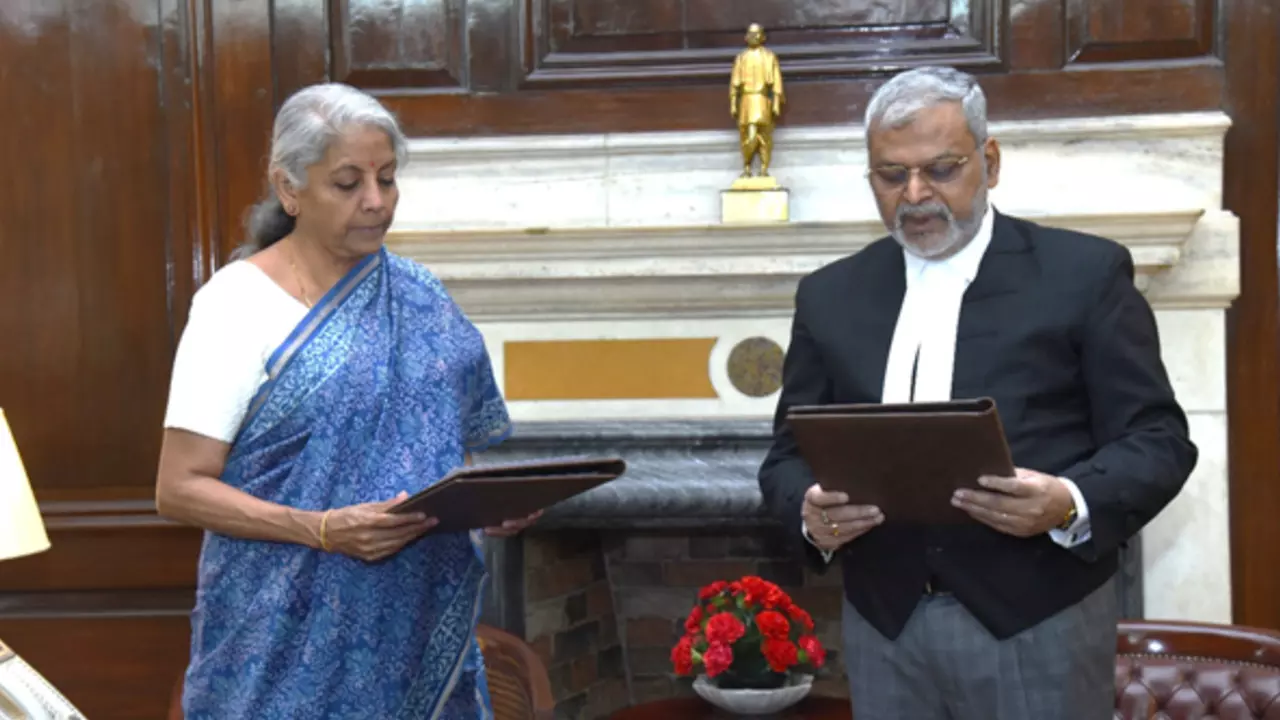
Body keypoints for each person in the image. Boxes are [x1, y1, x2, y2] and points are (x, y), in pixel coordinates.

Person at [757, 66, 1197, 719]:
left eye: (940, 169)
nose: (914, 194)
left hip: (1038, 622)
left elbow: (1158, 442)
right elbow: (787, 458)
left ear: (989, 162)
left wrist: (1067, 502)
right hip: (884, 628)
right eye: (890, 175)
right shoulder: (829, 295)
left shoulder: (1084, 274)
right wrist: (808, 515)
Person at [155, 82, 540, 719]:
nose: (376, 201)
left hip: (415, 627)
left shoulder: (420, 295)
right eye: (348, 182)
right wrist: (323, 530)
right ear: (289, 187)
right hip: (278, 642)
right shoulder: (236, 305)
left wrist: (484, 502)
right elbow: (178, 487)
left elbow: (433, 449)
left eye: (387, 179)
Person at [730, 23, 784, 178]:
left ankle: (763, 168)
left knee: (765, 136)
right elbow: (735, 83)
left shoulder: (769, 57)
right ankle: (747, 165)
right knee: (748, 135)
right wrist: (733, 103)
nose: (754, 37)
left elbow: (776, 82)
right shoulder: (741, 58)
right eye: (751, 34)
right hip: (747, 99)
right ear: (746, 37)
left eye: (757, 34)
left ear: (763, 37)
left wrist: (776, 103)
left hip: (761, 99)